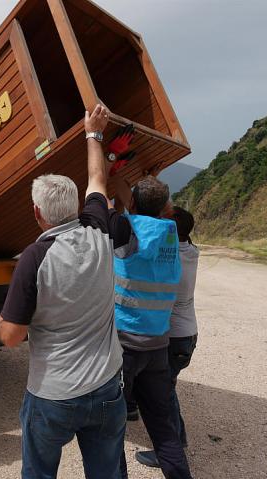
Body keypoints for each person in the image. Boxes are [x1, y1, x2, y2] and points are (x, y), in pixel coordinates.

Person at [0, 104, 127, 479]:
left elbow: (11, 337)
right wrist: (93, 134)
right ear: (77, 206)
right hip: (106, 388)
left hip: (53, 394)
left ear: (37, 213)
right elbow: (98, 179)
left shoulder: (34, 258)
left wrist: (1, 321)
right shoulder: (100, 230)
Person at [108, 173, 193, 479]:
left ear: (132, 204)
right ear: (165, 209)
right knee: (164, 430)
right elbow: (137, 206)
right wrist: (119, 172)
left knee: (111, 429)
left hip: (124, 348)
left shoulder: (126, 230)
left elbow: (99, 201)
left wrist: (104, 154)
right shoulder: (170, 232)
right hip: (158, 347)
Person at [134, 206, 199, 471]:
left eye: (165, 219)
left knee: (163, 394)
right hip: (186, 335)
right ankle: (177, 439)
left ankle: (171, 448)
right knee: (165, 390)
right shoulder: (191, 251)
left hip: (175, 339)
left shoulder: (172, 257)